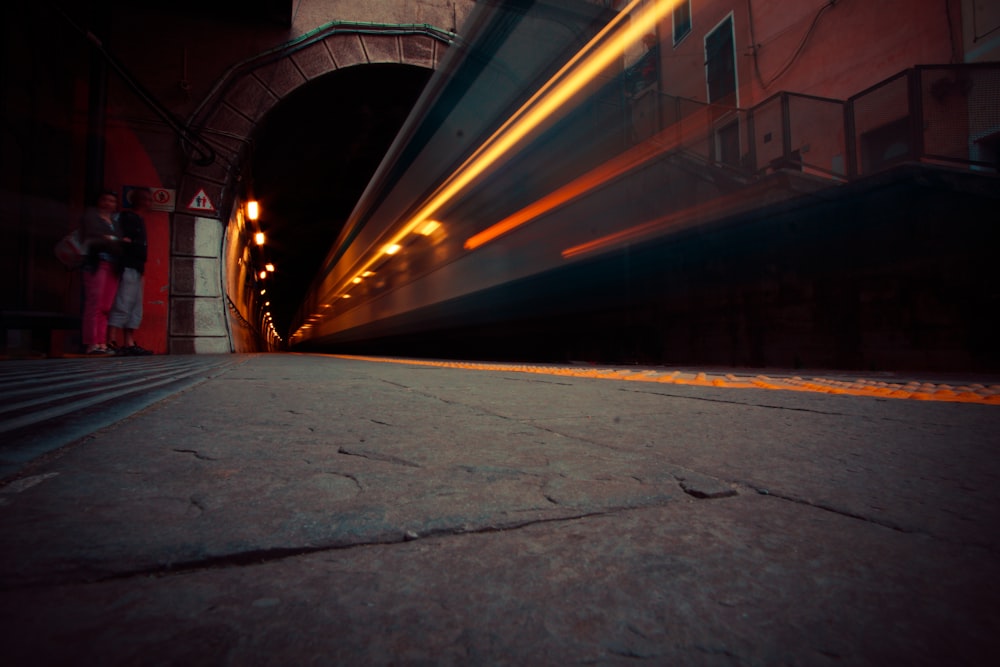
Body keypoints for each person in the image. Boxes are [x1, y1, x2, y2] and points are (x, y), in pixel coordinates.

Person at [108, 188, 153, 355]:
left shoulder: (139, 219)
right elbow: (122, 241)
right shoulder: (128, 218)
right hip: (128, 265)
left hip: (138, 267)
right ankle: (111, 340)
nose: (148, 202)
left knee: (135, 306)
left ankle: (129, 341)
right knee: (123, 301)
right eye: (145, 199)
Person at [79, 189, 122, 355]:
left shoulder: (114, 223)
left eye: (112, 201)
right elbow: (93, 238)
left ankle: (102, 342)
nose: (108, 203)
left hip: (112, 265)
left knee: (105, 306)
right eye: (105, 200)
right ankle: (91, 342)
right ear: (98, 201)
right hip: (96, 263)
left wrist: (110, 239)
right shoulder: (91, 217)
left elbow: (119, 243)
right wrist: (112, 240)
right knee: (94, 303)